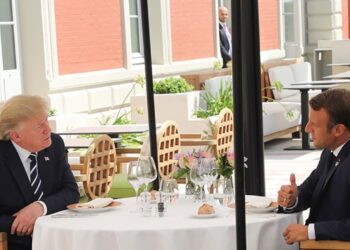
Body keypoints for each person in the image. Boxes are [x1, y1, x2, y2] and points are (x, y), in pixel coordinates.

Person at [0, 95, 80, 250]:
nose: (48, 129)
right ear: (16, 136)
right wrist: (19, 223)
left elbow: (71, 191)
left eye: (46, 120)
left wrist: (40, 207)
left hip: (59, 238)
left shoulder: (54, 144)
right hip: (14, 244)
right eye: (39, 126)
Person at [277, 88, 350, 244]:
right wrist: (293, 198)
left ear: (338, 130)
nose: (306, 128)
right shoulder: (329, 152)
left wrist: (310, 231)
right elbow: (310, 189)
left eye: (314, 124)